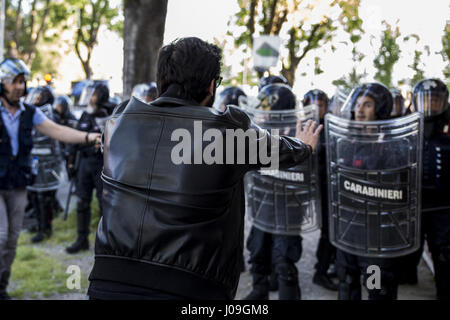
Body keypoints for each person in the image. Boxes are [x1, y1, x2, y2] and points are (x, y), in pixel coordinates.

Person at [87, 37, 322, 300]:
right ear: (211, 85)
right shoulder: (223, 130)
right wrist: (306, 146)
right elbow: (282, 151)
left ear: (161, 80)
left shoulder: (118, 122)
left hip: (107, 281)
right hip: (190, 286)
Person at [0, 58, 101, 300]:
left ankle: (1, 287)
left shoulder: (29, 113)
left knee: (13, 240)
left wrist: (88, 137)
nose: (19, 87)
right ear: (2, 82)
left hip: (18, 184)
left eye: (22, 82)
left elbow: (57, 131)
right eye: (14, 82)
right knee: (1, 236)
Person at [333, 82, 409, 300]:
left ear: (380, 109)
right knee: (347, 284)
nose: (359, 110)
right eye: (357, 104)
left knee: (375, 286)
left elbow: (399, 192)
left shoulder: (393, 144)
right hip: (348, 230)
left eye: (367, 105)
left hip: (376, 237)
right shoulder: (345, 142)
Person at [243, 83, 306, 300]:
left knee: (284, 261)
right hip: (263, 205)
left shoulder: (300, 130)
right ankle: (259, 293)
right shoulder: (258, 132)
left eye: (268, 104)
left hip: (288, 209)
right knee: (258, 253)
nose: (263, 108)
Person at [412, 78, 450, 300]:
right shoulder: (403, 129)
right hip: (412, 205)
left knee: (444, 253)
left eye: (435, 100)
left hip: (443, 205)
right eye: (425, 100)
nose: (430, 105)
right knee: (395, 259)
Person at [65, 83, 110, 254]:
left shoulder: (109, 116)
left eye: (94, 95)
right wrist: (70, 162)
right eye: (90, 94)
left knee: (103, 204)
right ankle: (81, 239)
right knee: (82, 202)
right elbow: (75, 140)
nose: (91, 98)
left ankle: (104, 242)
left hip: (102, 165)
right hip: (84, 164)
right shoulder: (84, 115)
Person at [303, 89, 337, 291]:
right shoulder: (297, 125)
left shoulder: (332, 128)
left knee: (328, 231)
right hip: (302, 186)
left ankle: (321, 271)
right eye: (312, 105)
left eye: (320, 105)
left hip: (325, 188)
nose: (316, 109)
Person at [24, 86, 62, 243]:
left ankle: (46, 229)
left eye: (38, 97)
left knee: (43, 197)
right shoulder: (32, 113)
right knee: (33, 195)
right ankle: (39, 225)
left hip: (48, 163)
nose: (35, 99)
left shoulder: (49, 114)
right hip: (34, 162)